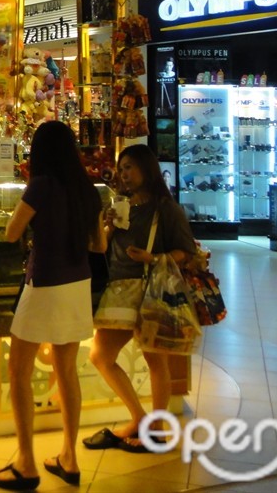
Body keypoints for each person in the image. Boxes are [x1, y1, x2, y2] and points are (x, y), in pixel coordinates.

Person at [0, 122, 104, 490]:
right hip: (78, 285)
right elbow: (99, 246)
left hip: (45, 284)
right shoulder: (88, 190)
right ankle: (68, 457)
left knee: (19, 369)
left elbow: (11, 231)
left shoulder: (41, 185)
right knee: (66, 370)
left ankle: (26, 462)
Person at [84, 143, 196, 452]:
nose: (124, 174)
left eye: (129, 167)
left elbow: (186, 252)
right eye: (121, 169)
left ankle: (156, 429)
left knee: (154, 359)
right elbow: (102, 247)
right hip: (120, 289)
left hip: (150, 290)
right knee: (101, 356)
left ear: (147, 169)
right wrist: (105, 225)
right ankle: (142, 419)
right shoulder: (124, 206)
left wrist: (152, 257)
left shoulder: (167, 209)